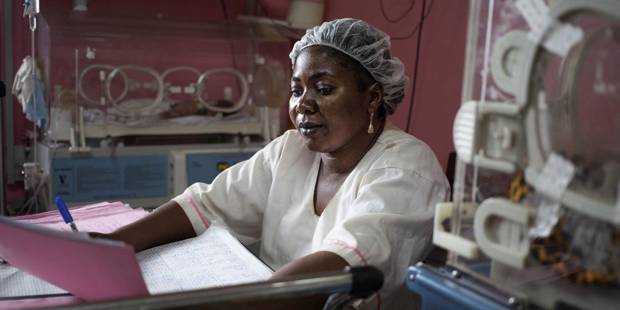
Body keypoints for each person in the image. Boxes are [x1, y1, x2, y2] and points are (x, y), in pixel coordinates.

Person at [102, 18, 449, 309]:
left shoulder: (406, 169)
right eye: (297, 90)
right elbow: (206, 207)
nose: (302, 105)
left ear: (372, 97)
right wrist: (109, 248)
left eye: (324, 89)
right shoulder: (291, 150)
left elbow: (339, 269)